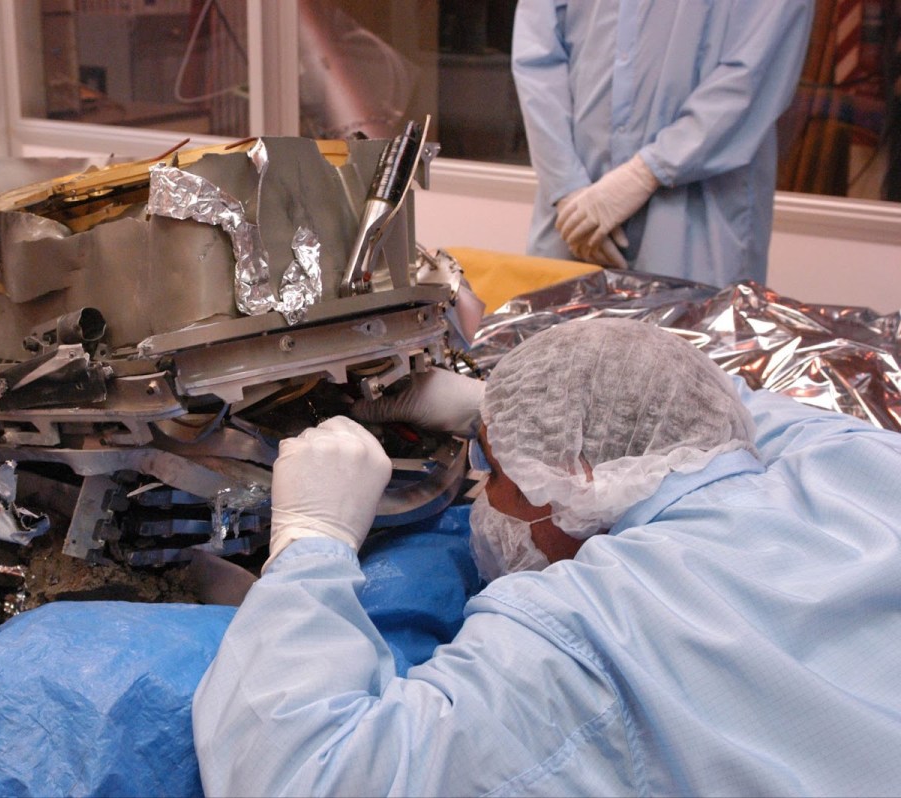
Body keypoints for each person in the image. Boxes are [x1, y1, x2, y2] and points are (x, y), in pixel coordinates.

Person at [191, 317, 901, 796]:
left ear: (575, 484)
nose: (480, 495)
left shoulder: (583, 634)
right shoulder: (857, 462)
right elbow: (707, 400)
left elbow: (303, 771)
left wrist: (311, 540)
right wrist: (497, 405)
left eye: (494, 472)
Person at [511, 1, 814, 285]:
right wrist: (566, 186)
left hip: (694, 219)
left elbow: (752, 75)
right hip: (573, 217)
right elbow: (537, 61)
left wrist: (646, 172)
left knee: (686, 336)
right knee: (559, 338)